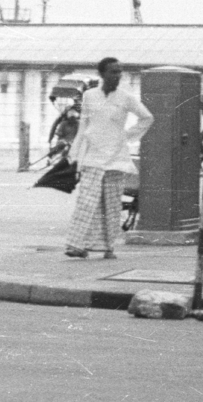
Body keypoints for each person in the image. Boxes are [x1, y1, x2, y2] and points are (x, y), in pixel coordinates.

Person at [65, 59, 153, 259]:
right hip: (92, 158)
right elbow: (83, 126)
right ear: (102, 74)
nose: (117, 76)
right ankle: (77, 245)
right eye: (113, 72)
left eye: (120, 72)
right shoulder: (89, 95)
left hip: (116, 160)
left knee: (111, 206)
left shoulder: (125, 98)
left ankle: (108, 247)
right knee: (86, 203)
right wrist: (74, 155)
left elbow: (147, 117)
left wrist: (127, 137)